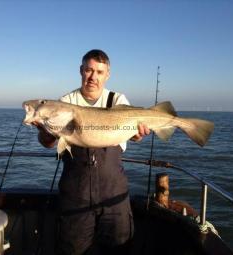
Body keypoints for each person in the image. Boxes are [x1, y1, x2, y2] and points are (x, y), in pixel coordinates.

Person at [36, 49, 150, 254]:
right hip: (75, 194)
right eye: (89, 70)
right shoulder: (65, 101)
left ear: (107, 75)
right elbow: (47, 143)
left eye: (99, 72)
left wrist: (137, 134)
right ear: (81, 71)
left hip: (113, 193)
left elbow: (132, 134)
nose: (93, 77)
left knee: (119, 248)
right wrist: (47, 130)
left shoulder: (118, 100)